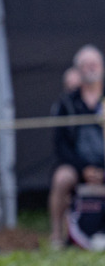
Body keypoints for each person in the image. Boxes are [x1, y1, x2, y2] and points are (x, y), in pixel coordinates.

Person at [48, 44, 105, 248]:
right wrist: (84, 169)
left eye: (94, 64)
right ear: (78, 70)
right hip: (77, 165)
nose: (90, 68)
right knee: (62, 177)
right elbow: (61, 145)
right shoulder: (67, 103)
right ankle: (56, 236)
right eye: (86, 65)